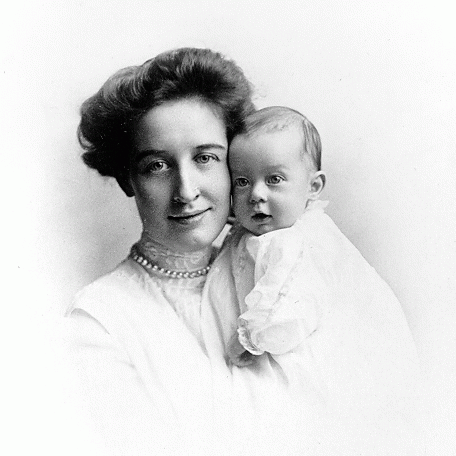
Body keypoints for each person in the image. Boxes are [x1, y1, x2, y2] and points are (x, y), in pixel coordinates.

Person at [205, 106, 424, 454]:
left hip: (302, 350)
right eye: (242, 182)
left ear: (313, 186)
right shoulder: (257, 233)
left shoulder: (298, 242)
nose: (256, 194)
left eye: (274, 179)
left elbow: (291, 308)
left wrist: (248, 339)